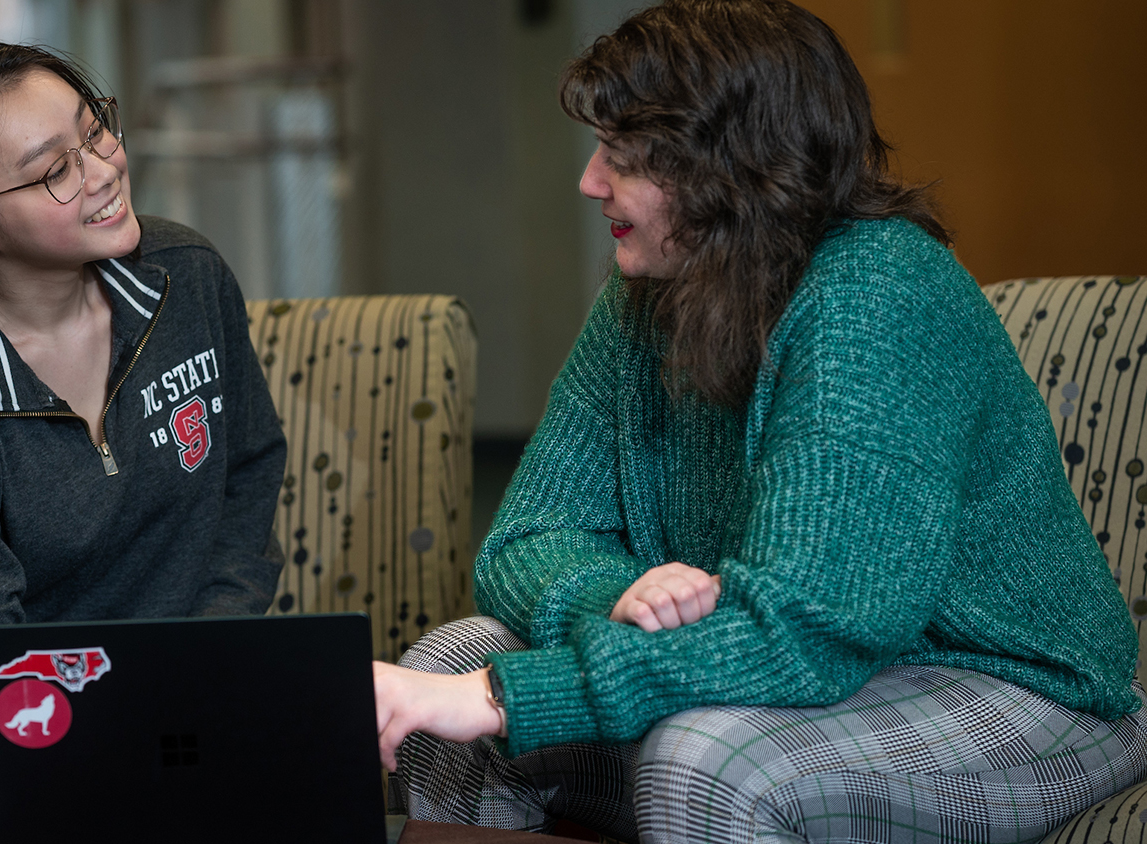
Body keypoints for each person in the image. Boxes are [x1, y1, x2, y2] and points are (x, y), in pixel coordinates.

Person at [373, 1, 1147, 840]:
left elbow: (809, 628)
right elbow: (525, 538)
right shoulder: (643, 298)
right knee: (441, 663)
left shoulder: (877, 294)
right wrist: (620, 593)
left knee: (705, 762)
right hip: (767, 671)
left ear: (731, 166)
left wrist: (500, 697)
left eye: (625, 156)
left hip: (1013, 693)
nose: (591, 181)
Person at [0, 42, 286, 827]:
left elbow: (247, 474)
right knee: (47, 798)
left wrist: (208, 670)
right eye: (53, 170)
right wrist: (132, 740)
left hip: (173, 683)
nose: (103, 170)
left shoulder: (189, 278)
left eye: (95, 130)